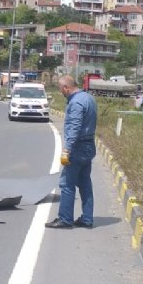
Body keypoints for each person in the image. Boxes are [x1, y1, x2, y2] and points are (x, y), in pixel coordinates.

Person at [46, 75, 98, 229]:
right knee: (85, 184)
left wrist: (67, 150)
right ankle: (87, 219)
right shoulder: (88, 98)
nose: (61, 92)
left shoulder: (75, 103)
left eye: (61, 90)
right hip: (89, 145)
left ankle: (65, 219)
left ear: (66, 88)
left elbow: (74, 128)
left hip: (77, 147)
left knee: (67, 184)